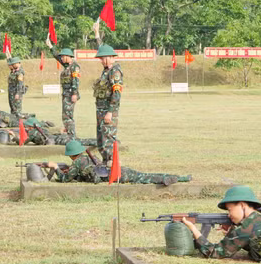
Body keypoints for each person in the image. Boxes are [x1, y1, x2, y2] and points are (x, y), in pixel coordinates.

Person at [44, 140, 190, 185]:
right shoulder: (88, 157)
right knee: (145, 176)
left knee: (145, 179)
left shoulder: (77, 163)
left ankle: (166, 179)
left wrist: (56, 167)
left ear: (71, 155)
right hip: (116, 171)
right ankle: (180, 177)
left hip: (115, 176)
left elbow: (64, 179)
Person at [92, 39, 123, 163]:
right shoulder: (106, 71)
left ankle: (112, 163)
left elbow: (117, 93)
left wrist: (110, 112)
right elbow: (102, 46)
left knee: (108, 138)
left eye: (104, 58)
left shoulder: (115, 71)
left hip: (108, 110)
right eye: (101, 58)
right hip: (100, 109)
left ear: (111, 57)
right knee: (101, 138)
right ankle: (105, 162)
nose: (101, 61)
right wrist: (97, 35)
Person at [46, 39, 81, 138]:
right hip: (66, 94)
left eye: (63, 57)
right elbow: (57, 57)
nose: (61, 58)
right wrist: (50, 46)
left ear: (68, 57)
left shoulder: (75, 67)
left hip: (70, 94)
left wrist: (74, 93)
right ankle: (69, 134)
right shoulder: (67, 66)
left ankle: (71, 136)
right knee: (65, 116)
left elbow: (75, 81)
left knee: (68, 116)